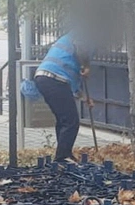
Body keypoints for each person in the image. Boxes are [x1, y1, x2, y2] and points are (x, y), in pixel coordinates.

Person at [34, 29, 93, 163]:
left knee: (63, 119)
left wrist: (84, 97)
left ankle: (64, 155)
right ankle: (62, 158)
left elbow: (73, 76)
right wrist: (87, 65)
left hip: (44, 78)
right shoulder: (84, 36)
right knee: (71, 121)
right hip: (55, 78)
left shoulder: (71, 38)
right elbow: (81, 50)